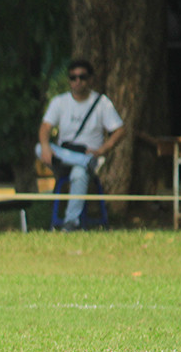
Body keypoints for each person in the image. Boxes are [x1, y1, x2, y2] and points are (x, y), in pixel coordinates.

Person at [37, 59, 125, 231]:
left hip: (90, 156)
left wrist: (102, 150)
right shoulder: (59, 101)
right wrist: (47, 147)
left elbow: (120, 130)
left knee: (79, 173)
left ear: (90, 80)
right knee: (39, 148)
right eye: (73, 77)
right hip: (63, 156)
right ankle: (80, 161)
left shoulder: (101, 103)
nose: (77, 81)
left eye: (82, 77)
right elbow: (45, 128)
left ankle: (71, 223)